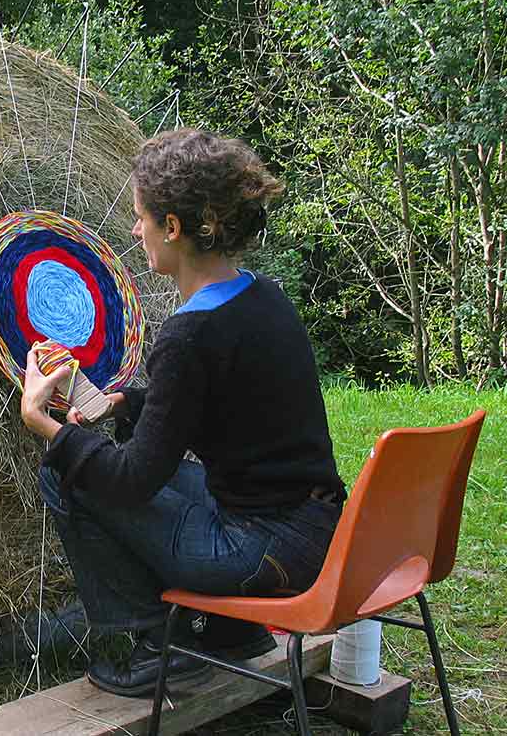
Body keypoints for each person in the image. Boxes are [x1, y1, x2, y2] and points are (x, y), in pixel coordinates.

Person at [19, 128, 346, 697]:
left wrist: (46, 427)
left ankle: (159, 645)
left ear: (173, 226)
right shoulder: (262, 296)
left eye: (141, 216)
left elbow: (131, 481)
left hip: (258, 552)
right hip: (315, 529)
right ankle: (228, 634)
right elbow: (231, 411)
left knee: (65, 475)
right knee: (111, 462)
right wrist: (132, 404)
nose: (133, 229)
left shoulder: (189, 334)